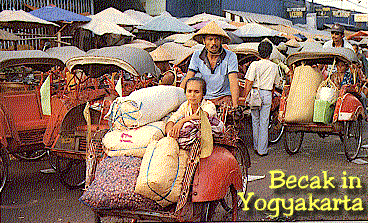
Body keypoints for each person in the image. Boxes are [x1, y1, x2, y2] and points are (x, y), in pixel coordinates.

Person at [180, 21, 239, 108]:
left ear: (221, 41)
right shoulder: (197, 55)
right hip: (203, 98)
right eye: (210, 39)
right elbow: (189, 76)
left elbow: (233, 80)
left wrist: (235, 105)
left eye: (217, 39)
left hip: (223, 98)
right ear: (204, 41)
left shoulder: (230, 56)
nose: (213, 43)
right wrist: (180, 95)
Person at [242, 41, 281, 156]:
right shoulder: (274, 66)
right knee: (264, 122)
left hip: (255, 93)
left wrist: (245, 97)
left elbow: (248, 82)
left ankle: (255, 146)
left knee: (255, 120)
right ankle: (262, 150)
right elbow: (276, 84)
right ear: (270, 52)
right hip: (267, 94)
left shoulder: (254, 64)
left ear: (259, 52)